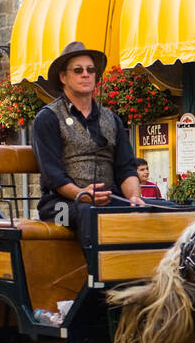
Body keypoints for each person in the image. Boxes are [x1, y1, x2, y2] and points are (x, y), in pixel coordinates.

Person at [33, 41, 144, 233]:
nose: (86, 74)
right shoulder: (48, 118)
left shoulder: (112, 119)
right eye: (78, 70)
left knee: (155, 211)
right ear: (63, 77)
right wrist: (81, 194)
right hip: (59, 206)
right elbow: (53, 176)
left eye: (90, 70)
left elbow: (125, 167)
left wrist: (135, 198)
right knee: (90, 213)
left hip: (110, 199)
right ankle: (99, 264)